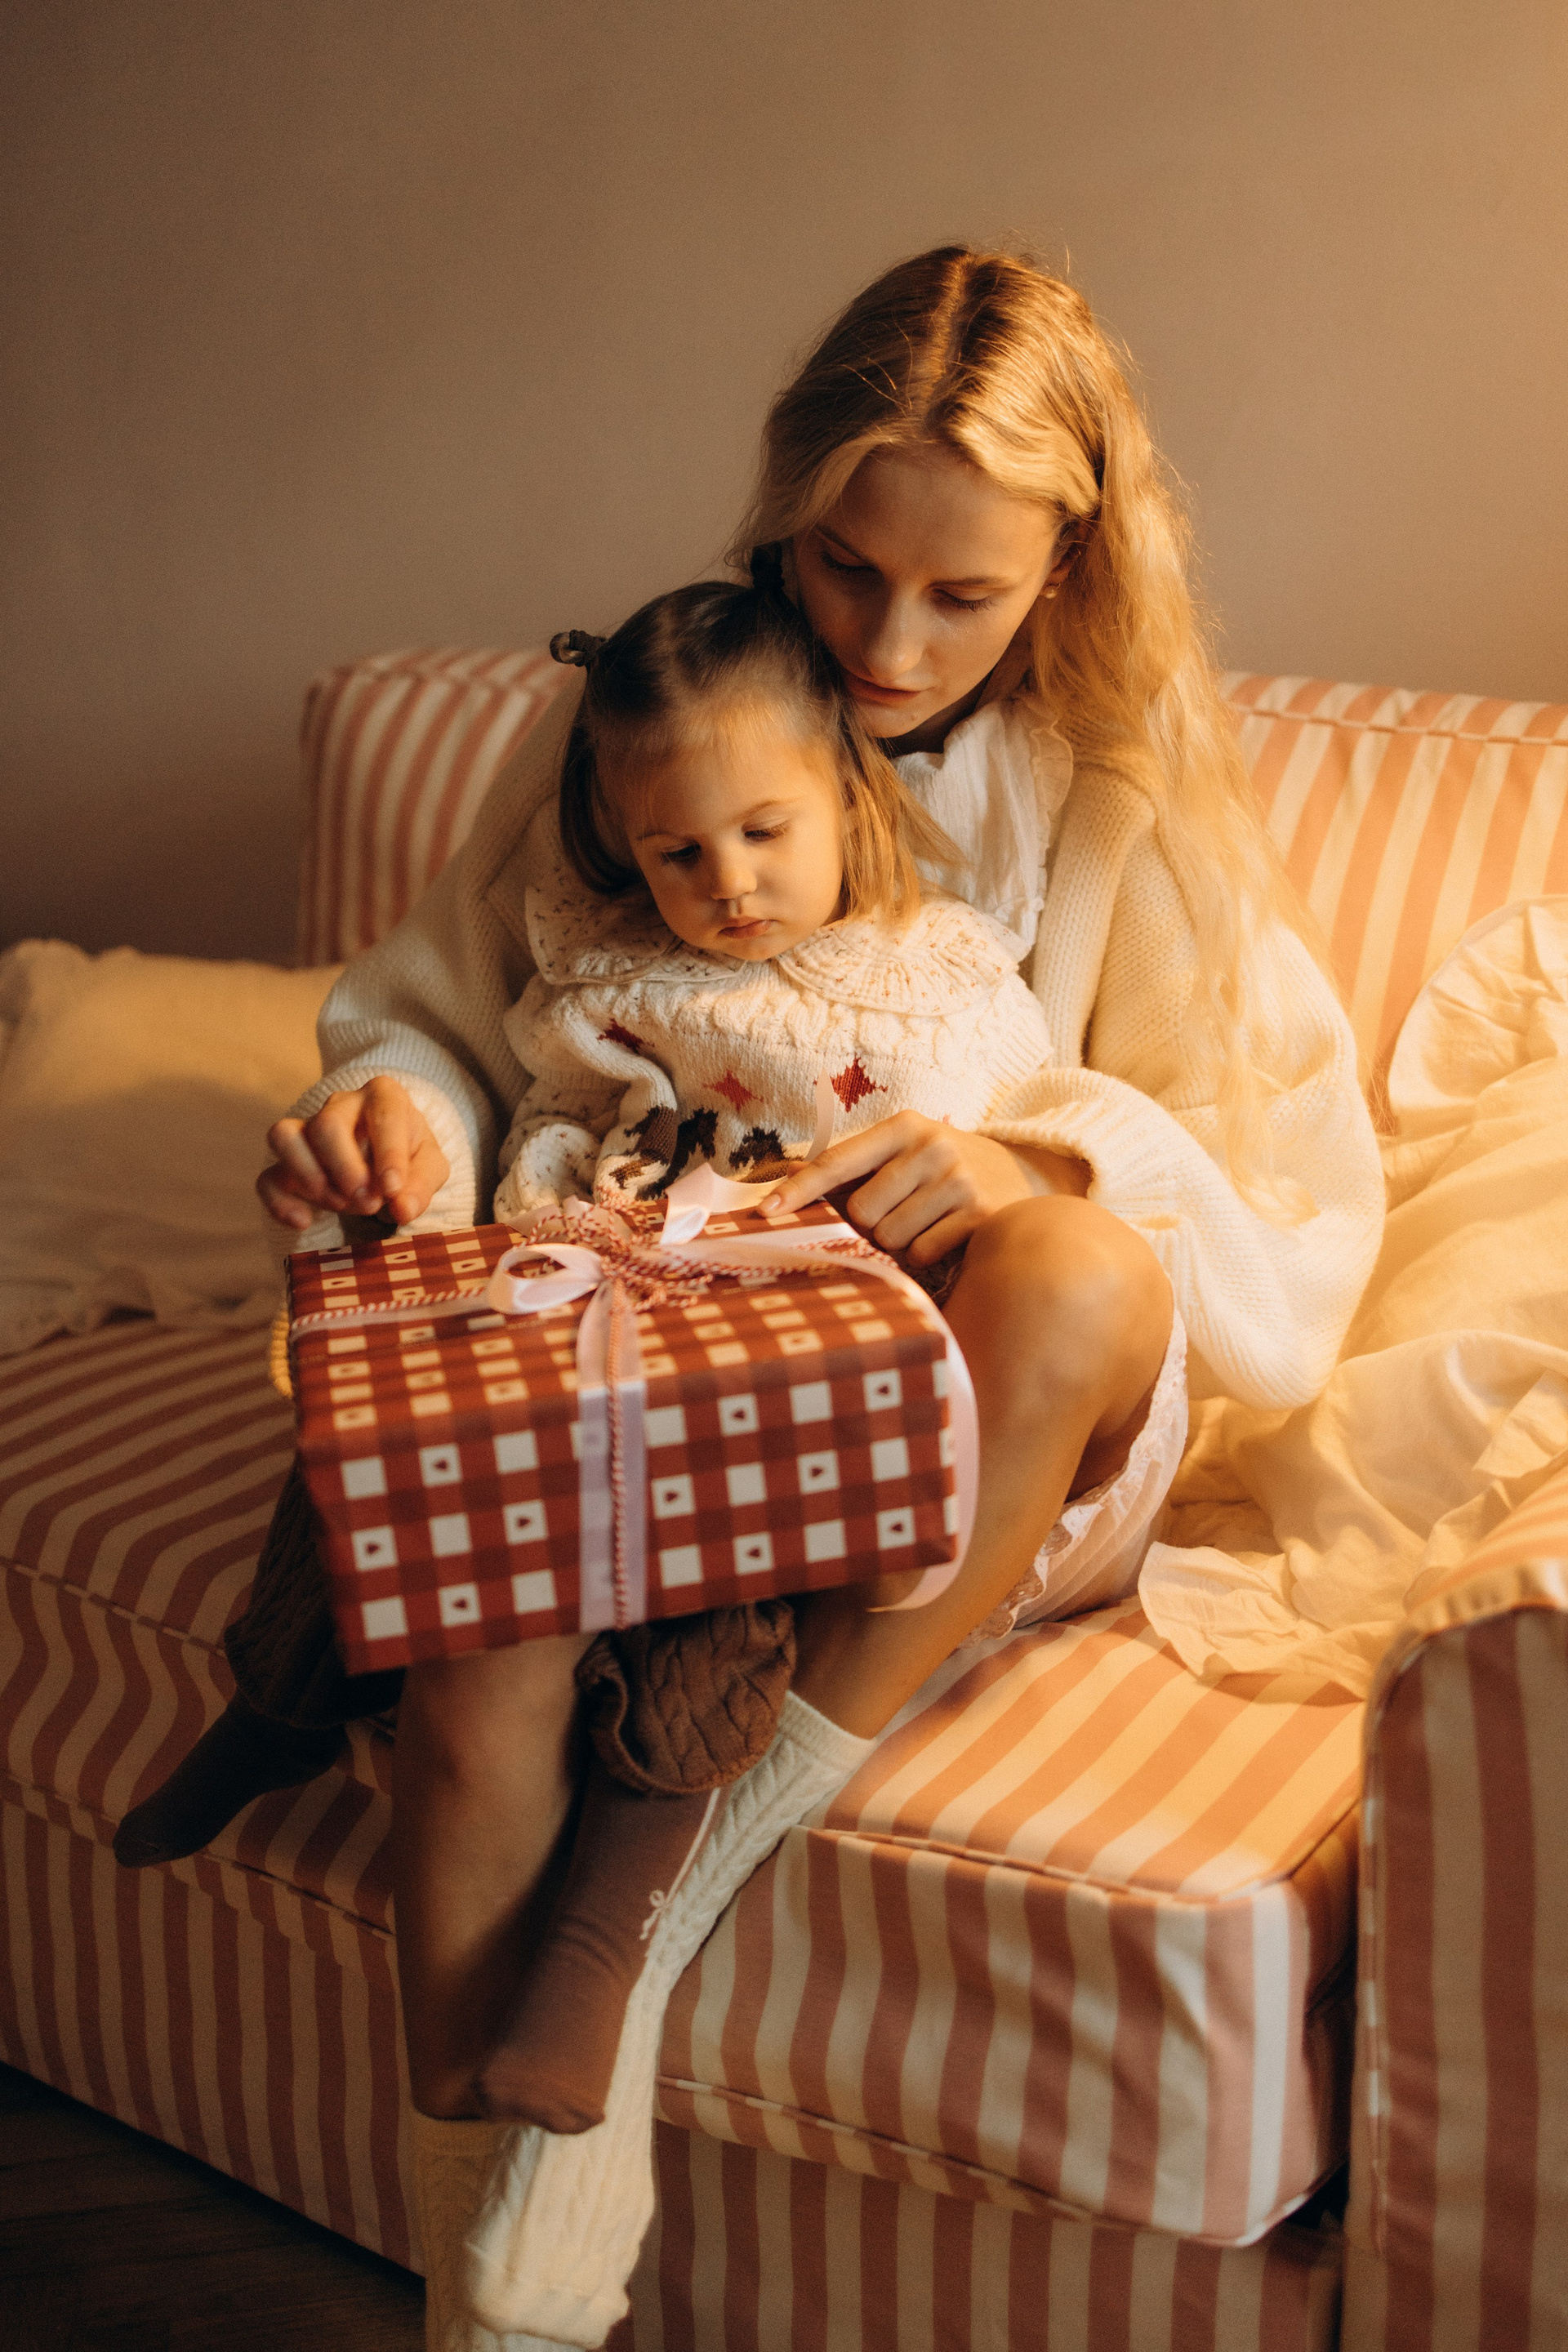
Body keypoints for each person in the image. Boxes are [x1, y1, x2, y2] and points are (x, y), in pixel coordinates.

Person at [136, 246, 1385, 2348]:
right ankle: (489, 2277)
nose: (888, 647)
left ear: (1069, 571)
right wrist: (390, 1123)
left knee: (1070, 1257)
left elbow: (1279, 1189)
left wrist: (1041, 1155)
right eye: (847, 569)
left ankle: (663, 1885)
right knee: (483, 1645)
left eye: (963, 596)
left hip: (981, 1420)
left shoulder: (1115, 787)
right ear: (787, 510)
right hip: (670, 1350)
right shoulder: (652, 718)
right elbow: (449, 1019)